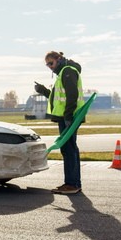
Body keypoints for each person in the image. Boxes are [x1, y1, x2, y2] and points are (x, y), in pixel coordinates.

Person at [35, 51, 84, 194]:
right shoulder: (63, 73)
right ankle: (74, 183)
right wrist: (43, 90)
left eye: (51, 63)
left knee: (69, 149)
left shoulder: (67, 71)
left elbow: (72, 95)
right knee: (70, 149)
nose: (50, 66)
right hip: (66, 116)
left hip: (69, 117)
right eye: (47, 65)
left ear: (59, 59)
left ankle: (72, 184)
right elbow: (56, 98)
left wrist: (68, 116)